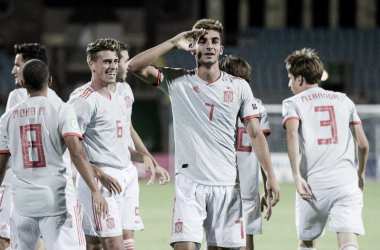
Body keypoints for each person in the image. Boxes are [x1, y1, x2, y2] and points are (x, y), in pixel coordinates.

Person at [128, 19, 280, 250]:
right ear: (193, 47)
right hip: (190, 184)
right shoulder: (177, 80)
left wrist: (270, 176)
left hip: (227, 184)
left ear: (221, 49)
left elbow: (256, 135)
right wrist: (172, 42)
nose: (208, 45)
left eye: (214, 41)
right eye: (202, 41)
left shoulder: (239, 87)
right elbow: (134, 66)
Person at [70, 41, 170, 250]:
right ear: (92, 65)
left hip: (126, 175)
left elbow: (123, 138)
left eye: (115, 61)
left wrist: (145, 158)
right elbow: (73, 149)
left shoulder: (125, 91)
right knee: (115, 245)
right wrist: (98, 176)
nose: (113, 66)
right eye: (107, 62)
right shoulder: (83, 100)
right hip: (99, 180)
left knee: (99, 244)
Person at [0, 59, 108, 250]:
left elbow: (1, 164)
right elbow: (76, 153)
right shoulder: (62, 109)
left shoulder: (8, 117)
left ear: (23, 84)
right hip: (55, 202)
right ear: (49, 81)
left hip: (22, 204)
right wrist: (95, 190)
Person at [282, 48, 369, 250]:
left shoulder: (292, 103)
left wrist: (296, 175)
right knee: (348, 241)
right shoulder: (344, 100)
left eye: (290, 78)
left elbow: (292, 134)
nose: (289, 84)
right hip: (346, 182)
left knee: (307, 240)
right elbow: (363, 144)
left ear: (300, 79)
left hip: (313, 185)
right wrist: (361, 172)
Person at [0, 43, 63, 250]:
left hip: (15, 182)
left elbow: (8, 143)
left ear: (30, 68)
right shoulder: (57, 102)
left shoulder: (18, 97)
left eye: (18, 65)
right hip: (49, 187)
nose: (13, 70)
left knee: (6, 239)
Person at [219, 55, 272, 250]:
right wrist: (267, 185)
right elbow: (263, 149)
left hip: (219, 182)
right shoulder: (258, 106)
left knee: (215, 238)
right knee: (246, 241)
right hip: (249, 186)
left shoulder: (218, 102)